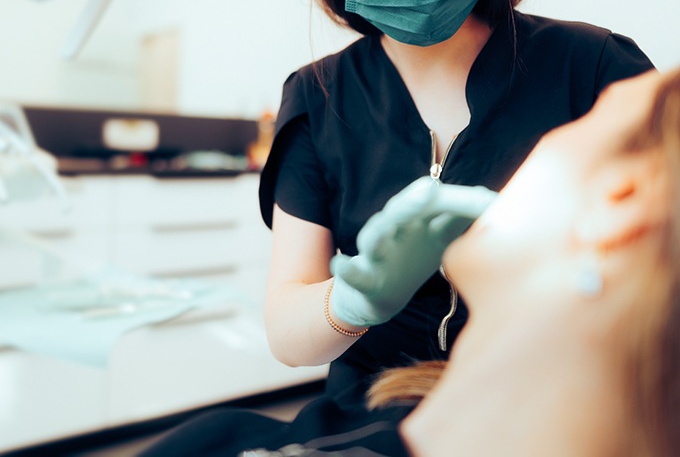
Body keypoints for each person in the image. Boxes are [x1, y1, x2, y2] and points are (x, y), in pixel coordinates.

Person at [258, 0, 653, 407]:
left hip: (556, 409)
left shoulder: (593, 69)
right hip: (377, 407)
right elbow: (288, 333)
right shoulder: (317, 97)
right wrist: (356, 297)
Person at [142, 67, 680, 456]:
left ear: (621, 199)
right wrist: (352, 300)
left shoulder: (224, 442)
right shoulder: (318, 93)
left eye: (581, 125)